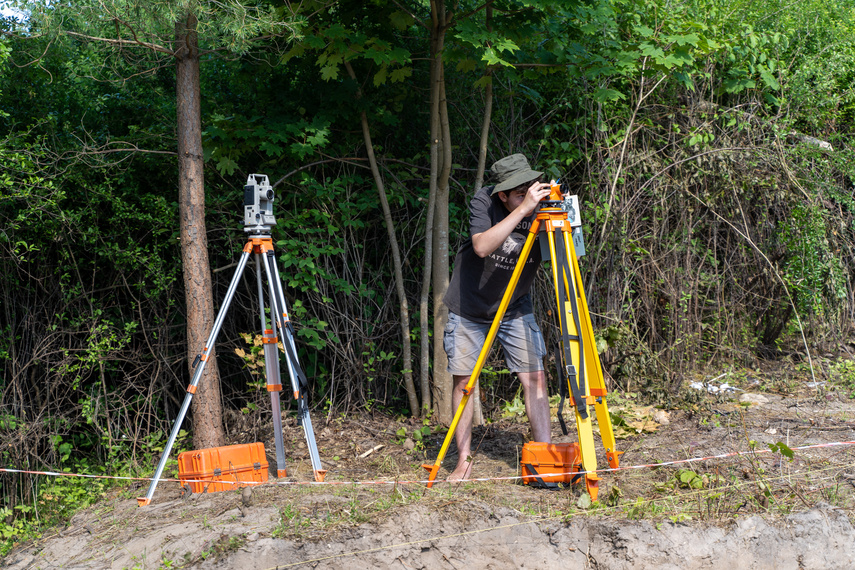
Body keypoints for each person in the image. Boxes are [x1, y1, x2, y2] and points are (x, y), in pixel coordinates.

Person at [442, 153, 553, 481]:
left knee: (535, 376)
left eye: (530, 189)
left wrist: (557, 218)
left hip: (515, 306)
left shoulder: (540, 206)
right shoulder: (484, 202)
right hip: (471, 307)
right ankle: (463, 461)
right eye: (519, 193)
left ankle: (544, 457)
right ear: (501, 194)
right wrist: (524, 210)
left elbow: (564, 254)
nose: (528, 195)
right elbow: (481, 246)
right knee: (464, 381)